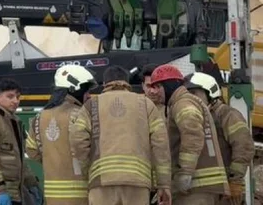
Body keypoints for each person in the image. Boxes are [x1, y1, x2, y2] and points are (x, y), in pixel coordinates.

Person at [69, 65, 171, 205]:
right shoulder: (146, 104)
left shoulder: (90, 106)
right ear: (127, 82)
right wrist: (163, 184)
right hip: (137, 182)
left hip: (102, 182)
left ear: (105, 84)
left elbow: (77, 140)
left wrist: (89, 170)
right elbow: (161, 145)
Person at [150, 64, 229, 205]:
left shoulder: (183, 103)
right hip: (199, 187)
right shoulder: (181, 103)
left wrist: (185, 173)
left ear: (169, 86)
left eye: (158, 87)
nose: (155, 92)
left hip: (196, 187)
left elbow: (193, 135)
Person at [25, 65, 96, 205]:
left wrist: (53, 162)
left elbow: (31, 150)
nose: (89, 95)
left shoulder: (40, 116)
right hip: (80, 194)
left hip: (52, 195)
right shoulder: (82, 114)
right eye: (86, 91)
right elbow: (91, 150)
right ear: (74, 89)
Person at [185, 72, 254, 205]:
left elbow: (244, 147)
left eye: (194, 93)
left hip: (227, 190)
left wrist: (235, 180)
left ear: (210, 93)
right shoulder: (195, 117)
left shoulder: (227, 115)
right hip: (205, 191)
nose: (190, 99)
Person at [0, 78, 41, 205]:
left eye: (18, 96)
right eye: (10, 96)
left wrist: (31, 183)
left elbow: (17, 158)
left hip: (12, 194)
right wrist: (0, 190)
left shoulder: (12, 121)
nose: (15, 101)